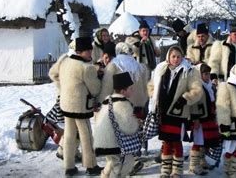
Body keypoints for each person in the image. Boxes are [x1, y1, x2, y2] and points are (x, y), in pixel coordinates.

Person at [148, 45, 203, 178]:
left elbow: (197, 90)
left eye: (179, 56)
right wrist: (154, 96)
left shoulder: (190, 70)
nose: (176, 59)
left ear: (182, 57)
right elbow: (152, 85)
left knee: (176, 141)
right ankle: (165, 169)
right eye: (173, 56)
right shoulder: (162, 68)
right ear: (168, 57)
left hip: (179, 112)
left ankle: (177, 170)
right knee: (166, 141)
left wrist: (186, 98)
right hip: (164, 111)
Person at [57, 37, 103, 176]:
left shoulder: (65, 61)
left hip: (66, 104)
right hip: (80, 106)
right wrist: (98, 75)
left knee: (70, 135)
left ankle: (69, 167)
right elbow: (95, 88)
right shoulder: (86, 67)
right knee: (87, 136)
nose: (90, 53)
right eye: (87, 51)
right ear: (79, 51)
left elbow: (54, 75)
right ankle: (91, 166)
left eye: (90, 50)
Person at [94, 72, 140, 178]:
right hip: (114, 142)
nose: (132, 90)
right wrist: (136, 123)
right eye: (130, 88)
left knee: (112, 161)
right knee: (124, 163)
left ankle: (104, 176)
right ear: (123, 91)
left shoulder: (108, 100)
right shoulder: (123, 104)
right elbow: (128, 126)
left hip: (103, 141)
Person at [188, 63, 220, 175]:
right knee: (198, 141)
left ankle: (202, 161)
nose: (208, 76)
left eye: (209, 74)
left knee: (205, 142)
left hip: (209, 118)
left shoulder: (210, 85)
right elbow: (193, 105)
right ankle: (193, 164)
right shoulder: (196, 86)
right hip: (200, 119)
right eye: (205, 74)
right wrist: (195, 119)